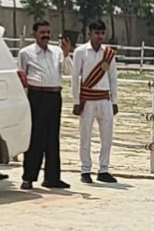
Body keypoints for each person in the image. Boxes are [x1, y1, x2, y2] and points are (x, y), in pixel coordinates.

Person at [16, 21, 73, 190]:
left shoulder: (57, 52)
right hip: (36, 96)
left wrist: (66, 54)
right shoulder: (25, 53)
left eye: (48, 32)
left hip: (54, 96)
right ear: (34, 34)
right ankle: (28, 177)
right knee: (35, 137)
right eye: (42, 32)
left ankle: (52, 178)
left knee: (52, 138)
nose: (46, 35)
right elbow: (21, 77)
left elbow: (68, 71)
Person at [71, 20, 120, 184]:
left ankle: (103, 169)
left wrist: (115, 101)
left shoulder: (109, 53)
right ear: (89, 34)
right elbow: (75, 78)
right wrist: (76, 101)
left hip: (104, 99)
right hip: (87, 99)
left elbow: (113, 78)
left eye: (102, 33)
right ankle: (85, 169)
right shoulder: (81, 52)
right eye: (96, 33)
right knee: (85, 136)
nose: (99, 36)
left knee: (107, 137)